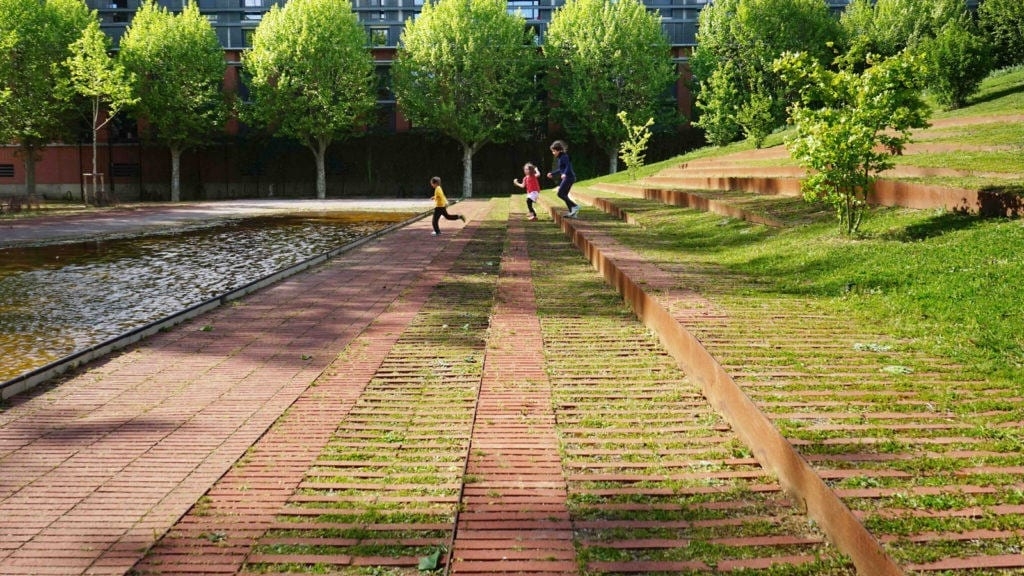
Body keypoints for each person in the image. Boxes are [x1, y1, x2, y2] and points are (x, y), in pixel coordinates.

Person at [546, 140, 579, 218]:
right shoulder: (561, 157)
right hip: (568, 177)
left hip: (569, 177)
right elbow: (561, 169)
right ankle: (572, 212)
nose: (553, 153)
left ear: (558, 150)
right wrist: (552, 173)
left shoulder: (564, 156)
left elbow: (568, 166)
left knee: (560, 194)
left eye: (554, 151)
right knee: (564, 194)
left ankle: (575, 206)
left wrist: (564, 174)